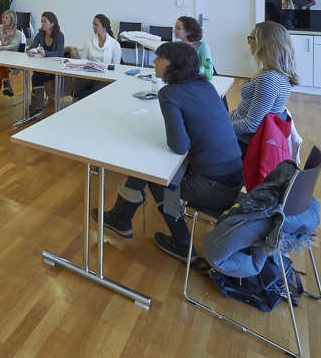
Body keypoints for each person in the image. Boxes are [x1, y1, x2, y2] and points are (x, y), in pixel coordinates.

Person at [92, 43, 243, 260]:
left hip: (214, 188)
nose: (154, 61)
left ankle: (182, 243)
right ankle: (120, 217)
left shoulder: (169, 93)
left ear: (175, 65)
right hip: (233, 177)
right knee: (151, 163)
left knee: (158, 177)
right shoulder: (206, 85)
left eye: (160, 58)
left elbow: (180, 146)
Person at [231, 21, 299, 157]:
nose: (248, 42)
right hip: (239, 131)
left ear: (263, 43)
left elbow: (250, 125)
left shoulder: (270, 79)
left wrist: (221, 125)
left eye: (251, 38)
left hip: (243, 142)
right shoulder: (270, 72)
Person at [74, 14, 122, 100]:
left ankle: (92, 105)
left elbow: (116, 66)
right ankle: (87, 104)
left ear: (105, 26)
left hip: (106, 75)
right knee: (77, 86)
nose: (93, 27)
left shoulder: (115, 44)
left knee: (96, 89)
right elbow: (83, 60)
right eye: (93, 24)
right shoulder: (88, 42)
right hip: (90, 73)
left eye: (96, 25)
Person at [26, 11, 65, 114]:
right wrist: (30, 51)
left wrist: (46, 53)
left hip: (55, 69)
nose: (42, 24)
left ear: (52, 24)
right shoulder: (40, 34)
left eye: (45, 22)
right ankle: (39, 103)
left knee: (36, 76)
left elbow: (60, 52)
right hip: (43, 68)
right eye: (41, 22)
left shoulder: (60, 36)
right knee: (37, 75)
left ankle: (36, 105)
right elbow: (31, 47)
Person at [0, 10, 23, 110]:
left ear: (12, 19)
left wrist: (2, 48)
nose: (4, 19)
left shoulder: (18, 33)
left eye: (7, 17)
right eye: (3, 17)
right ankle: (6, 84)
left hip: (12, 60)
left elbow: (13, 46)